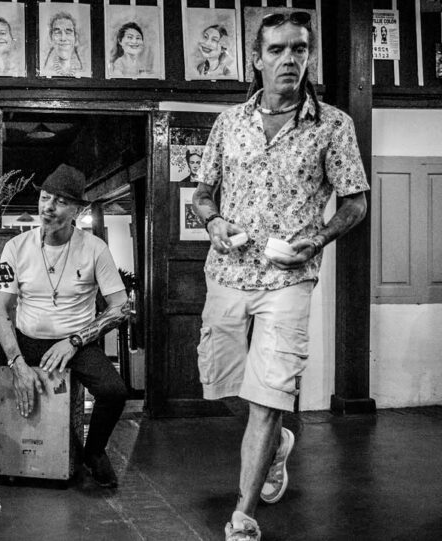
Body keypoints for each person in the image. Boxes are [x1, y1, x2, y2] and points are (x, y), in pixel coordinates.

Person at [191, 11, 368, 541]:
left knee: (270, 394)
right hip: (227, 272)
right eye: (276, 49)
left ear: (308, 55)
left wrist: (320, 237)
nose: (289, 58)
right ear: (256, 59)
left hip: (289, 279)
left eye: (299, 48)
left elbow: (355, 203)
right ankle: (277, 444)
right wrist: (214, 222)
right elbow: (203, 195)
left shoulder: (333, 124)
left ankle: (243, 517)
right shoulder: (229, 123)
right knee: (221, 385)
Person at [0, 164, 130, 488]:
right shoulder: (17, 247)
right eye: (45, 197)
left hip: (75, 343)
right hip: (24, 339)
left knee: (114, 391)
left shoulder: (95, 248)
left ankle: (94, 452)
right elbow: (1, 310)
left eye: (61, 201)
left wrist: (76, 341)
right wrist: (16, 362)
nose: (49, 207)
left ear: (77, 210)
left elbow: (121, 307)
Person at [42, 11, 83, 77]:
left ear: (75, 37)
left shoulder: (83, 71)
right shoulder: (45, 70)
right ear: (51, 38)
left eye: (68, 32)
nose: (63, 38)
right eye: (57, 32)